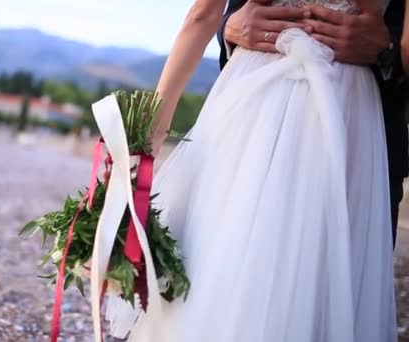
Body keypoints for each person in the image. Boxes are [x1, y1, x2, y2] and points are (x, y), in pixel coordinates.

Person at [103, 0, 407, 341]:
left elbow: (201, 16)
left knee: (224, 262)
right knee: (325, 277)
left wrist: (145, 140)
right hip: (344, 110)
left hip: (255, 100)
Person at [219, 0, 408, 247]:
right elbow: (221, 13)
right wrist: (229, 26)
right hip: (254, 120)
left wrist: (388, 50)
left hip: (363, 137)